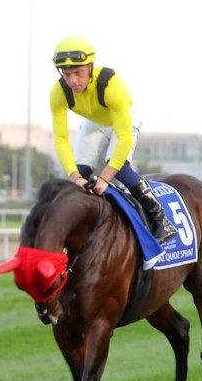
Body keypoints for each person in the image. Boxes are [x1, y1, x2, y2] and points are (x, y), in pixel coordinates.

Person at [48, 36, 177, 242]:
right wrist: (75, 177)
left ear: (90, 67)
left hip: (124, 120)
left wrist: (104, 179)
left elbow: (124, 137)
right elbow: (61, 140)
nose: (72, 81)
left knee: (120, 168)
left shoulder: (110, 83)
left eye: (78, 73)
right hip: (94, 123)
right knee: (78, 176)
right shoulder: (58, 93)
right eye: (66, 74)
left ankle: (162, 220)